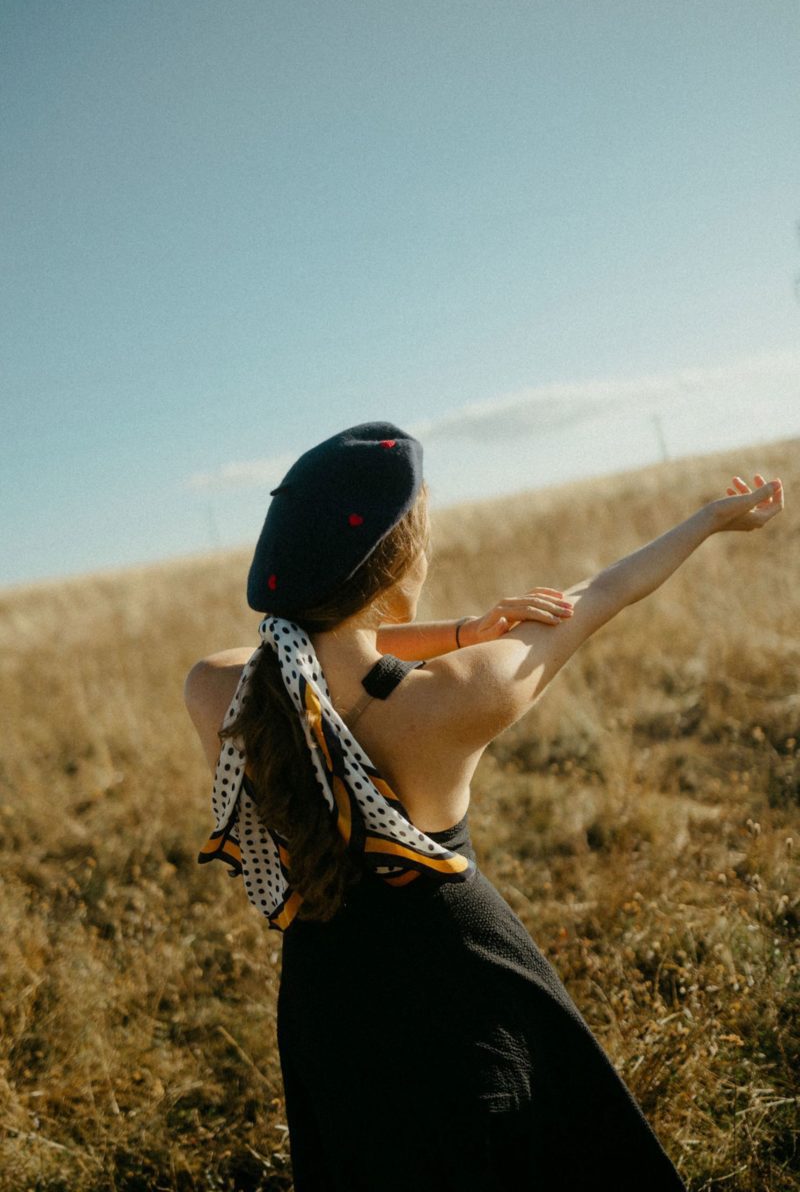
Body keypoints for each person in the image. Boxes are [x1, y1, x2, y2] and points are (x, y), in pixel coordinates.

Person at [184, 421, 783, 1192]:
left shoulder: (217, 690)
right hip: (461, 991)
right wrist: (705, 521)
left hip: (327, 1007)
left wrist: (456, 629)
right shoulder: (462, 697)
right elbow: (600, 593)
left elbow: (285, 651)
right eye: (421, 541)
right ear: (395, 572)